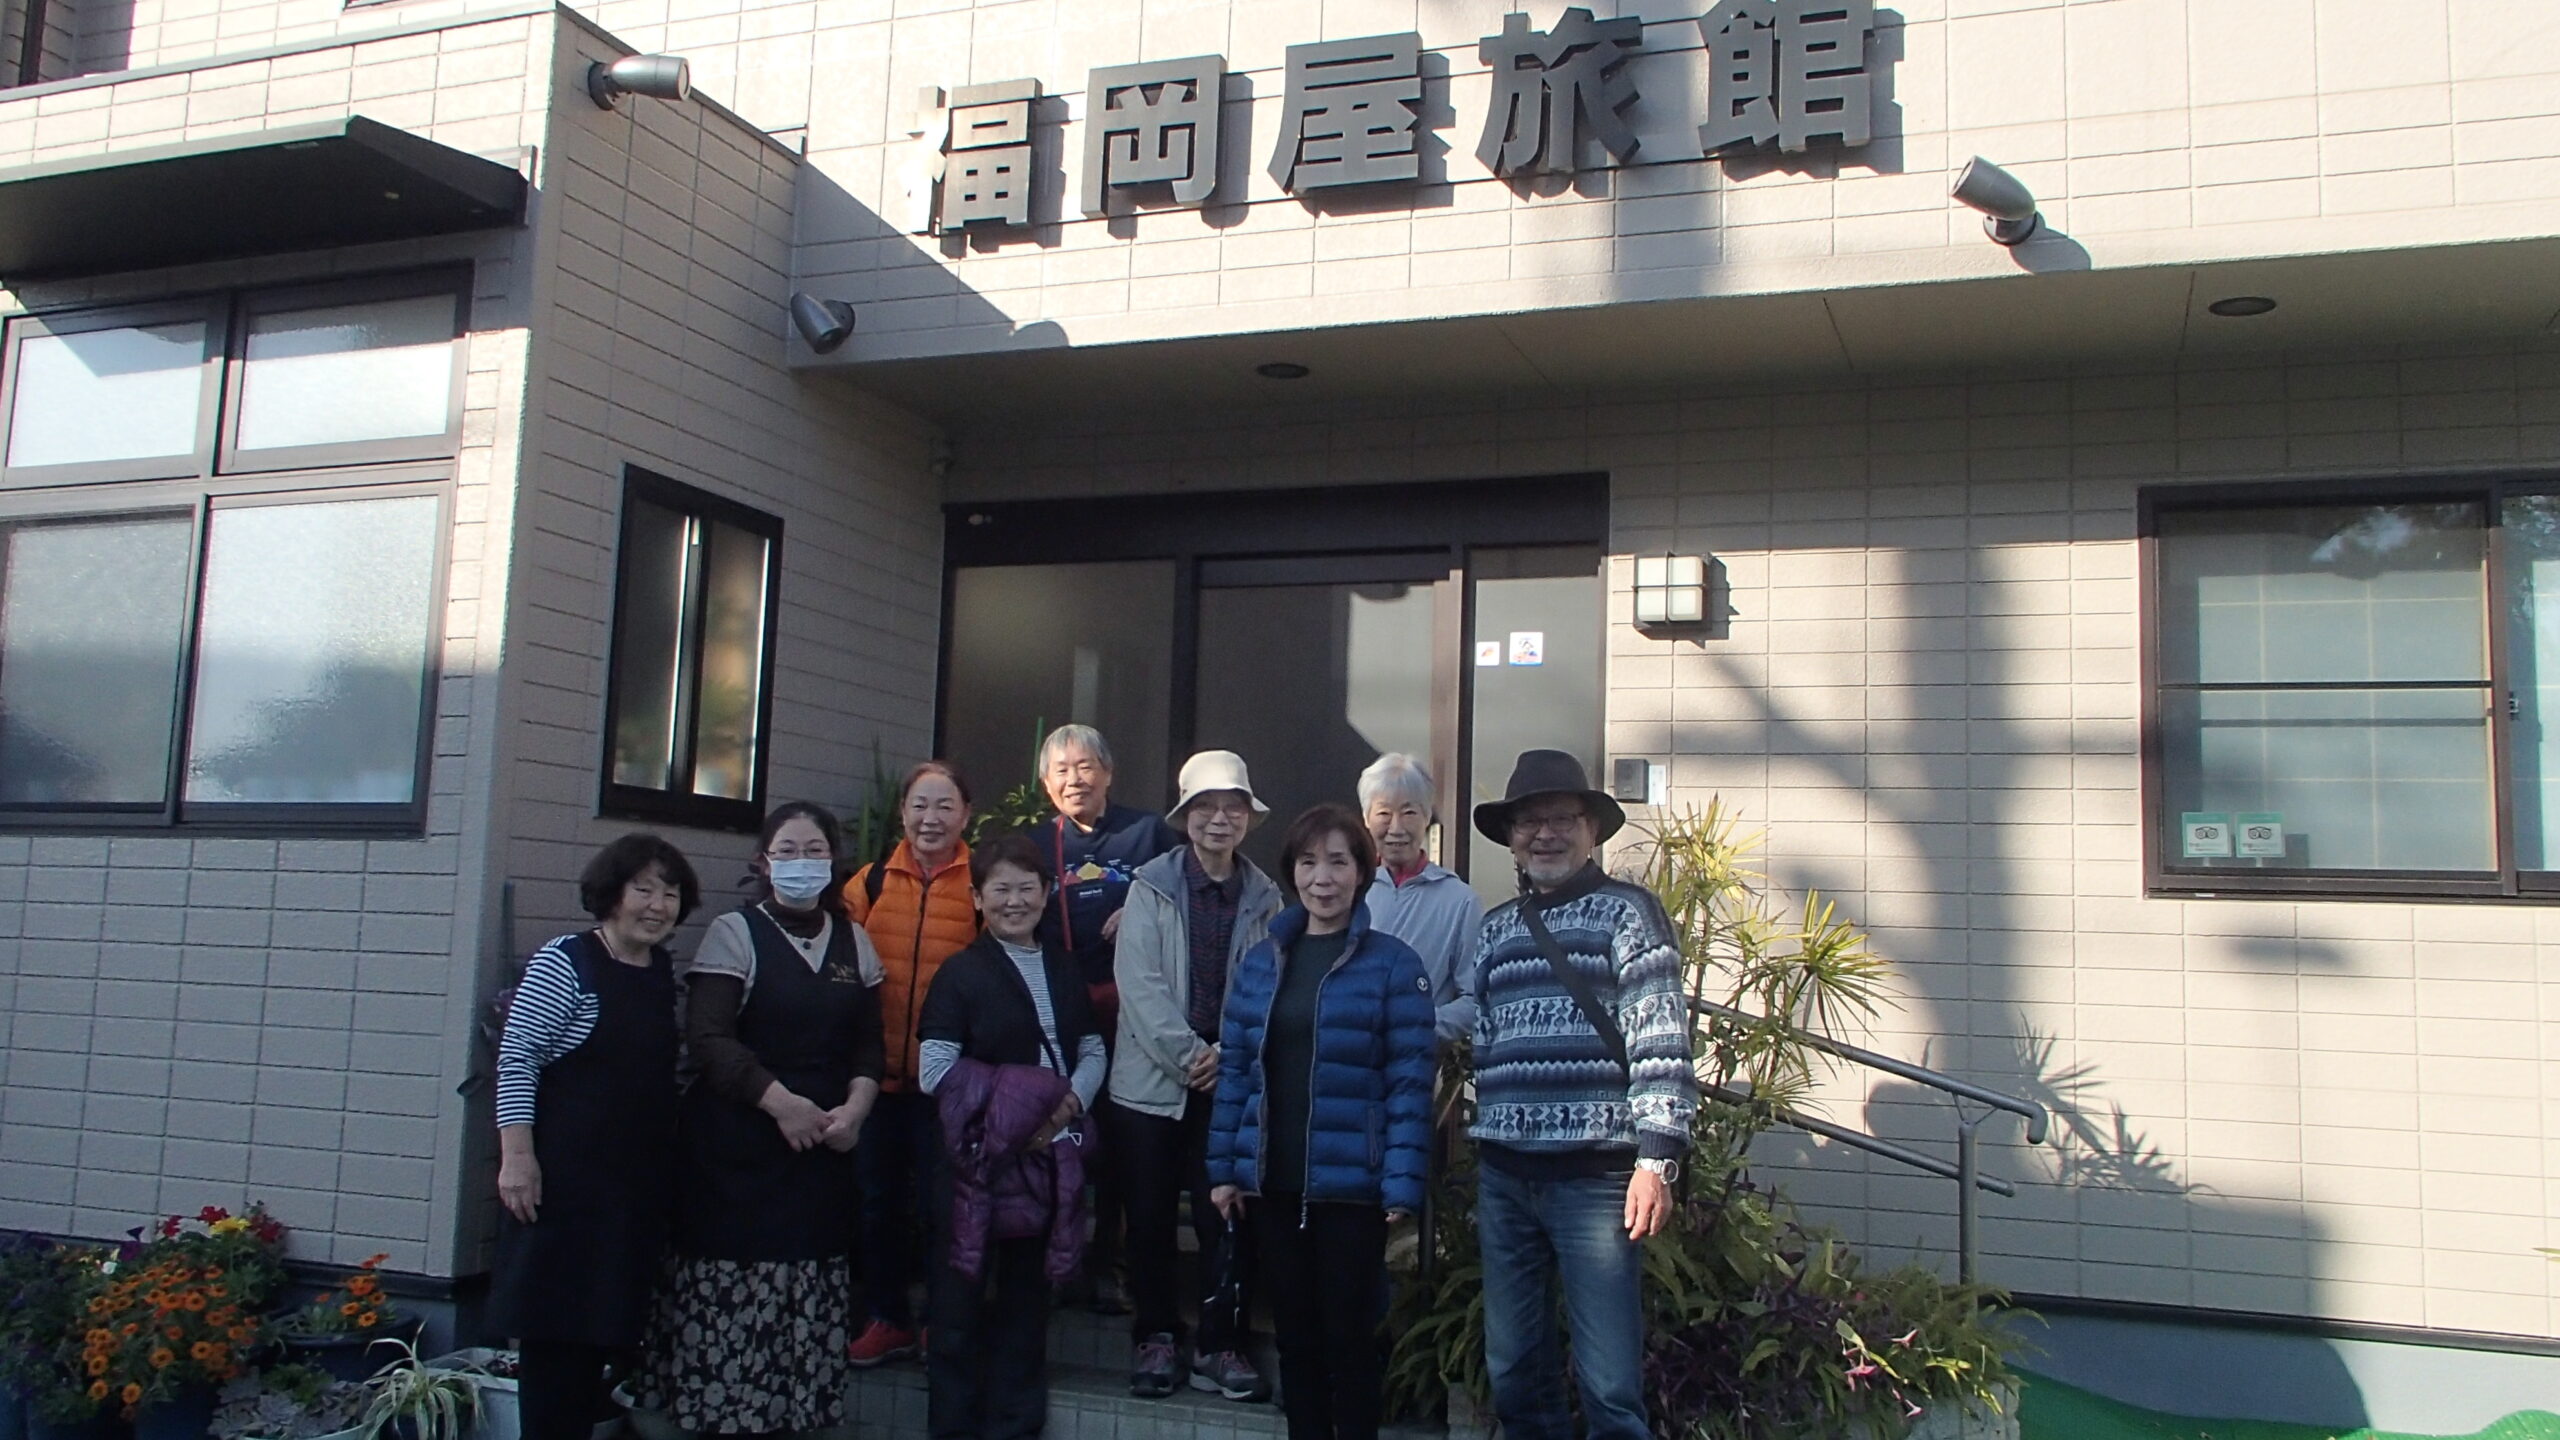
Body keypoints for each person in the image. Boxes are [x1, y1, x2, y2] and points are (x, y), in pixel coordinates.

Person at [1465, 751, 1699, 1440]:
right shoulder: (1496, 929)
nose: (1545, 834)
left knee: (1609, 1386)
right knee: (1515, 1371)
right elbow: (1484, 1042)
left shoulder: (1629, 914)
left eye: (1562, 818)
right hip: (1505, 1178)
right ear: (1511, 838)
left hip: (1596, 1182)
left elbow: (1661, 1038)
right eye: (1528, 822)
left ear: (1591, 829)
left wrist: (1657, 1161)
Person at [635, 802, 887, 1436]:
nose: (802, 863)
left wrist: (856, 1109)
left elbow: (868, 1045)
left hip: (823, 1153)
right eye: (788, 851)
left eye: (814, 851)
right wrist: (782, 1104)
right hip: (737, 1153)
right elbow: (709, 1039)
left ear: (833, 862)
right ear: (764, 862)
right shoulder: (735, 932)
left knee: (810, 1279)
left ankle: (791, 1418)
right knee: (731, 1287)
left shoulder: (854, 941)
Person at [1207, 805, 1434, 1440]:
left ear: (1362, 871)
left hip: (1353, 1190)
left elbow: (1409, 1082)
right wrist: (1223, 1170)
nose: (1322, 878)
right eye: (1308, 863)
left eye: (1338, 862)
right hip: (1272, 1184)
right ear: (1292, 872)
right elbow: (1236, 1075)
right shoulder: (1263, 961)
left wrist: (1401, 1183)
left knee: (1350, 1342)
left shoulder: (1394, 965)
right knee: (1295, 1341)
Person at [488, 834, 700, 1440]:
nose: (657, 905)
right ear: (611, 894)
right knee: (556, 1349)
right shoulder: (567, 961)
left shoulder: (659, 970)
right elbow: (518, 1058)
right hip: (562, 1191)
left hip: (628, 1195)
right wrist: (516, 1158)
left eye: (670, 893)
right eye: (643, 889)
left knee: (599, 1350)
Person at [917, 830, 1108, 1440]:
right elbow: (933, 1070)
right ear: (977, 897)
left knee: (1027, 1302)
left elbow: (1091, 1048)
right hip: (974, 1163)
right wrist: (1019, 1107)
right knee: (957, 1303)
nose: (1014, 901)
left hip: (1046, 1158)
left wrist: (1066, 1107)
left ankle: (1015, 1426)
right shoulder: (960, 973)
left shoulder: (1062, 966)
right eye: (1000, 890)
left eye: (1027, 888)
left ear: (1047, 893)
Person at [1107, 751, 1284, 1402]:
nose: (1219, 819)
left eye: (1232, 807)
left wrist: (1228, 1057)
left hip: (1230, 1082)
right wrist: (1190, 1056)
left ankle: (1220, 1342)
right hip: (1149, 1087)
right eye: (1205, 807)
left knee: (1226, 1219)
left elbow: (1271, 986)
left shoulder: (1267, 896)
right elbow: (1139, 987)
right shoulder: (1150, 886)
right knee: (1149, 1217)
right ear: (1185, 817)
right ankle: (1155, 1334)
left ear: (1247, 818)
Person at [1035, 723, 1179, 1314]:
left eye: (1086, 766)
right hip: (1060, 1014)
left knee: (1124, 1144)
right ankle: (1059, 1261)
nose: (1075, 779)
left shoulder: (1149, 833)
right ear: (1047, 784)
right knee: (1062, 1134)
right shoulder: (1035, 845)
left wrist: (1142, 908)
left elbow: (1186, 892)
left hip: (1134, 1016)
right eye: (1062, 770)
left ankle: (1114, 1264)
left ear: (1108, 773)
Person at [843, 760, 980, 1366]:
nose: (931, 818)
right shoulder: (869, 884)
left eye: (945, 805)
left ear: (966, 815)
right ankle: (887, 1316)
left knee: (942, 1207)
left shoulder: (980, 887)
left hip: (946, 1085)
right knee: (878, 1205)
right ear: (902, 812)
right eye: (920, 805)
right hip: (875, 1080)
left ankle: (938, 1322)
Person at [1354, 753, 1481, 1049]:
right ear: (1366, 819)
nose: (1396, 828)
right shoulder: (1350, 890)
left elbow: (1476, 998)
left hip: (1414, 1060)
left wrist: (1420, 1026)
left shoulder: (1460, 901)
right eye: (1384, 813)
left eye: (1409, 812)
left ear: (1427, 817)